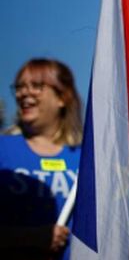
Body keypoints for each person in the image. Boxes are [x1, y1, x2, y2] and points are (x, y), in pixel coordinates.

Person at [0, 59, 83, 259]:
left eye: (36, 86)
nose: (24, 93)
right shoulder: (4, 149)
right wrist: (29, 237)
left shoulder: (86, 158)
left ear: (63, 97)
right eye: (19, 87)